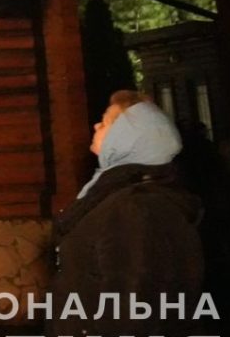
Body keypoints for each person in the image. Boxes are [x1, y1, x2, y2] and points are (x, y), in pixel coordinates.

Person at [49, 90, 205, 337]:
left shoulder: (135, 206)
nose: (96, 125)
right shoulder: (113, 195)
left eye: (106, 121)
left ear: (128, 137)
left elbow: (132, 304)